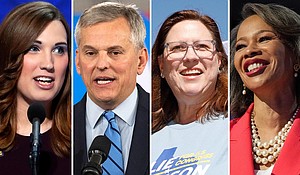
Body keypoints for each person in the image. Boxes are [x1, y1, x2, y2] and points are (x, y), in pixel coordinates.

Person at [74, 2, 149, 175]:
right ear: (78, 62)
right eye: (91, 53)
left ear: (140, 60)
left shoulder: (164, 122)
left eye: (115, 52)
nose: (101, 64)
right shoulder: (61, 127)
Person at [151, 10, 228, 175]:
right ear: (161, 64)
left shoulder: (239, 125)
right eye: (178, 48)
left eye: (202, 46)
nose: (190, 57)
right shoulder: (145, 138)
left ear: (219, 61)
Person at [0, 1, 71, 175]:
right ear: (11, 56)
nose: (48, 64)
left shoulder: (82, 139)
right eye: (34, 48)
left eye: (59, 50)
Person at [230, 3, 300, 175]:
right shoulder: (219, 140)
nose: (249, 51)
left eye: (264, 39)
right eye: (240, 46)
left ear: (295, 54)